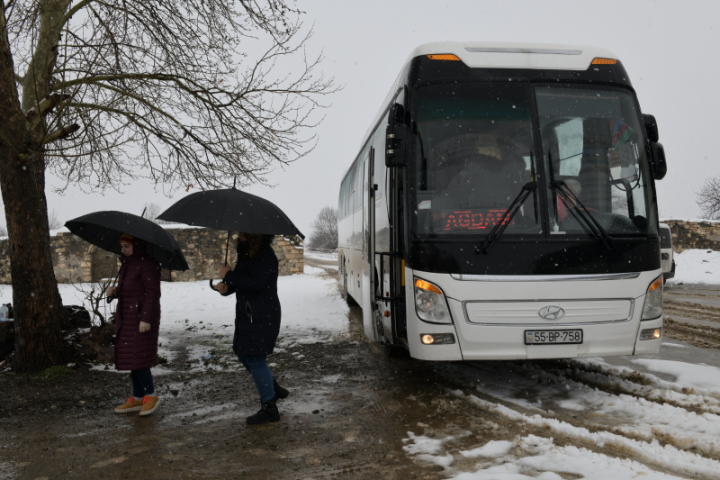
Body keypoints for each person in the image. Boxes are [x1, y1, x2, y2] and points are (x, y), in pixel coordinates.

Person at [213, 233, 289, 425]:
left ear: (256, 235)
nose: (240, 235)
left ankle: (269, 407)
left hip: (263, 314)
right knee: (243, 354)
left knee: (255, 358)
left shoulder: (265, 255)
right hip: (249, 313)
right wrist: (226, 288)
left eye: (245, 232)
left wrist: (228, 275)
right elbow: (242, 281)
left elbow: (255, 283)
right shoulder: (246, 253)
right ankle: (272, 387)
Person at [106, 233, 162, 416]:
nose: (122, 250)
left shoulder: (147, 264)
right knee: (132, 356)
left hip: (141, 319)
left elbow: (153, 293)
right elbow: (131, 291)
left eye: (126, 246)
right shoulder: (127, 265)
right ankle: (138, 398)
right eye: (121, 246)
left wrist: (145, 318)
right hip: (127, 317)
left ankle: (151, 395)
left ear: (136, 246)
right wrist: (115, 292)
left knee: (139, 357)